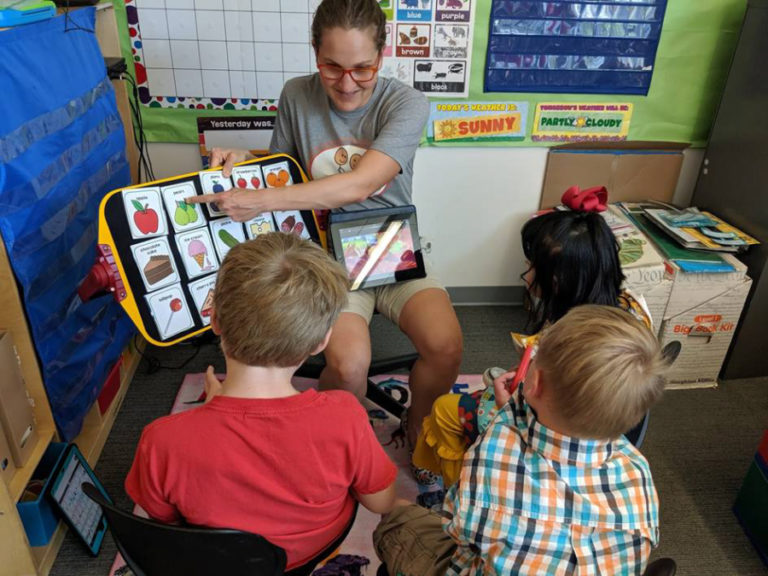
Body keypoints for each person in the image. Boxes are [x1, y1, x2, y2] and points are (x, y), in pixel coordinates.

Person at [187, 0, 463, 478]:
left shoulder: (407, 103)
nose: (348, 82)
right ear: (314, 52)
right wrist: (244, 158)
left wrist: (264, 201)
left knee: (446, 344)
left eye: (363, 68)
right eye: (332, 67)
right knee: (350, 364)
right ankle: (339, 446)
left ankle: (418, 427)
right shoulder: (296, 94)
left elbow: (359, 183)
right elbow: (284, 174)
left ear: (384, 53)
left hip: (389, 246)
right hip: (325, 258)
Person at [125, 233, 397, 573]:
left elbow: (164, 519)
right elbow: (380, 500)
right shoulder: (345, 415)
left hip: (218, 562)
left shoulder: (161, 439)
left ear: (216, 320)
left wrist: (210, 416)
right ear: (321, 341)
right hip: (313, 555)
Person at [374, 305, 668, 576]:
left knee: (396, 518)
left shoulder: (492, 452)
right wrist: (510, 411)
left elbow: (456, 529)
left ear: (535, 382)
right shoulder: (637, 469)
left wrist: (502, 422)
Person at [413, 208, 653, 487]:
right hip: (607, 430)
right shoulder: (630, 306)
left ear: (557, 280)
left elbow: (542, 406)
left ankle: (462, 489)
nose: (525, 275)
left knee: (444, 410)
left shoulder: (562, 340)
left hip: (549, 433)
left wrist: (508, 405)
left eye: (530, 266)